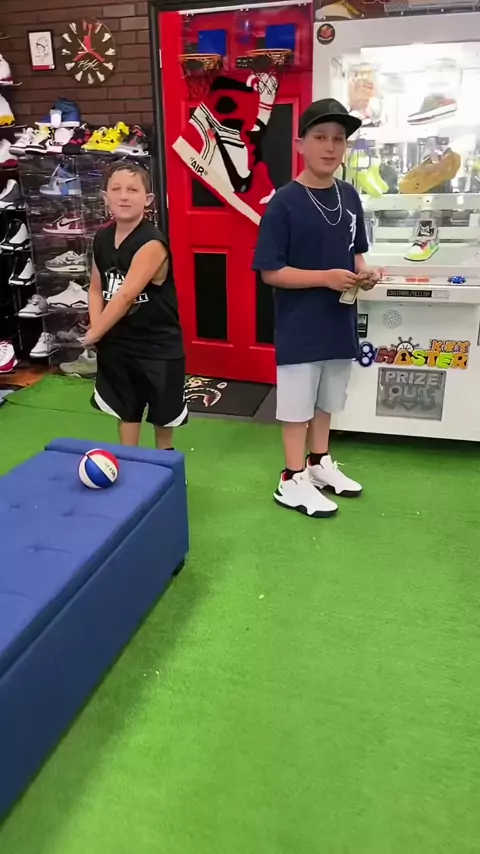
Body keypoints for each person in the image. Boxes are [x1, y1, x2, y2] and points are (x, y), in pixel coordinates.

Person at [253, 98, 382, 519]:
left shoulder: (349, 196)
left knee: (328, 399)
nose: (330, 147)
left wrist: (365, 274)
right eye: (320, 137)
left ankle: (318, 461)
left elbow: (356, 255)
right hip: (300, 325)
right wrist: (324, 277)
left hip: (338, 320)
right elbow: (271, 272)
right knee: (297, 405)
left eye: (338, 139)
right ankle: (292, 479)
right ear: (300, 144)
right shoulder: (284, 202)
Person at [83, 161, 186, 449]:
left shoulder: (151, 243)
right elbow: (96, 288)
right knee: (126, 409)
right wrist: (99, 331)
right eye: (116, 189)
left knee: (163, 414)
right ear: (105, 197)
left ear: (148, 199)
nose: (124, 196)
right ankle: (129, 460)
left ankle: (166, 464)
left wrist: (92, 334)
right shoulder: (102, 238)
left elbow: (126, 295)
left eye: (132, 190)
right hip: (119, 343)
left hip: (157, 345)